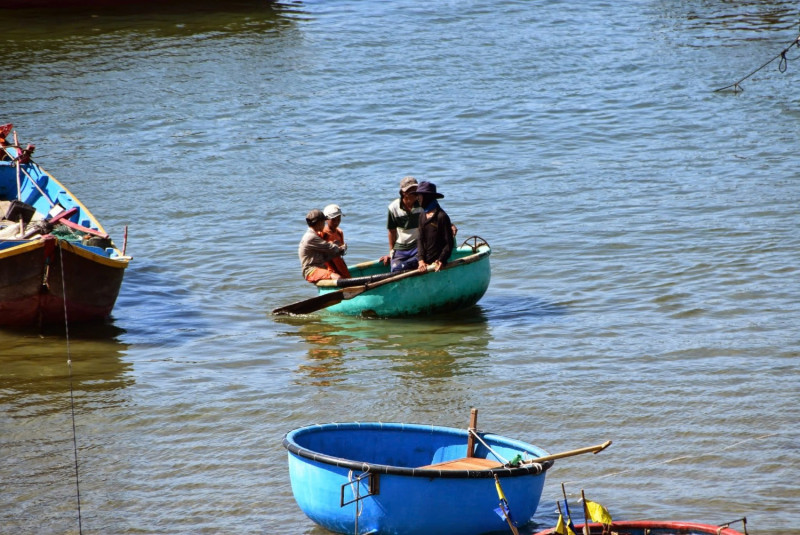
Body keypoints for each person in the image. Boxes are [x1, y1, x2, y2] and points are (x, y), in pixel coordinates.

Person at [381, 176, 423, 272]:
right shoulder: (393, 207)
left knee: (416, 263)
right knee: (395, 269)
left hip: (417, 245)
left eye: (416, 190)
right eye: (412, 191)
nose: (416, 194)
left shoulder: (422, 204)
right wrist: (391, 252)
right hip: (401, 248)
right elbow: (391, 231)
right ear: (404, 193)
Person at [298, 209, 347, 283]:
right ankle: (343, 294)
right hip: (311, 271)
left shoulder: (311, 234)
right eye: (324, 222)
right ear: (319, 223)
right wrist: (339, 247)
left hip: (315, 268)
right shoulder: (312, 237)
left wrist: (338, 250)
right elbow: (331, 248)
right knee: (337, 277)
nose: (324, 224)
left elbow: (325, 255)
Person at [415, 181, 454, 273]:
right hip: (424, 261)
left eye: (420, 196)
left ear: (427, 197)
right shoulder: (422, 215)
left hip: (437, 262)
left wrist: (441, 260)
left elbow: (449, 244)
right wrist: (421, 260)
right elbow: (420, 239)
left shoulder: (441, 216)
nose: (418, 199)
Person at [321, 203, 351, 278]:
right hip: (328, 267)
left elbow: (341, 253)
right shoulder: (323, 233)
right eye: (333, 219)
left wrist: (343, 249)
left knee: (346, 278)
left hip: (339, 264)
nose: (336, 222)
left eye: (338, 219)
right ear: (326, 219)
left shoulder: (339, 232)